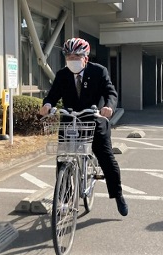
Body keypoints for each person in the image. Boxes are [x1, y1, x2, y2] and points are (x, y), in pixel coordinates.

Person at [39, 37, 128, 216]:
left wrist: (108, 107)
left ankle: (118, 195)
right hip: (69, 120)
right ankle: (64, 199)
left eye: (76, 56)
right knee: (62, 159)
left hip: (93, 119)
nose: (72, 60)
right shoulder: (62, 75)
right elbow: (52, 95)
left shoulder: (98, 72)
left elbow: (110, 92)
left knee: (106, 158)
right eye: (69, 56)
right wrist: (47, 105)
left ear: (86, 57)